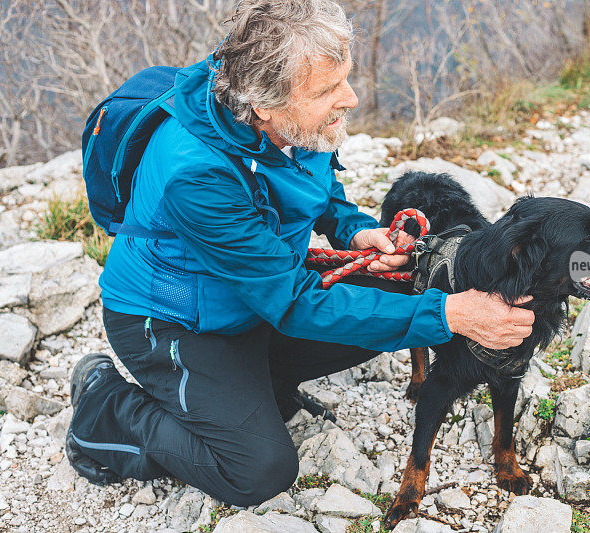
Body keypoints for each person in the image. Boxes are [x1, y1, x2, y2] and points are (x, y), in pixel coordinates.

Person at [66, 0, 535, 507]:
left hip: (251, 294)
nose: (350, 99)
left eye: (347, 79)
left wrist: (354, 232)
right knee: (257, 470)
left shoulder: (291, 119)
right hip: (175, 322)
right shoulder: (196, 174)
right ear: (265, 106)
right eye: (329, 90)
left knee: (399, 290)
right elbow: (292, 301)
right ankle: (103, 406)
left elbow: (317, 189)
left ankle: (259, 383)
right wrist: (451, 314)